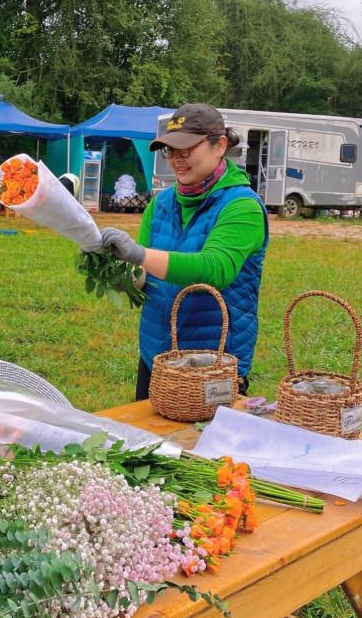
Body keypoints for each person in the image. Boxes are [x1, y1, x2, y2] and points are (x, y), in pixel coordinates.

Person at [98, 103, 269, 400]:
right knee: (150, 445)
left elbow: (214, 269)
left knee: (201, 447)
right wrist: (124, 277)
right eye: (169, 150)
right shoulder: (161, 204)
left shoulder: (242, 207)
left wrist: (138, 254)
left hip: (213, 365)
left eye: (186, 149)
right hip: (157, 359)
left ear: (220, 146)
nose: (176, 160)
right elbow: (146, 271)